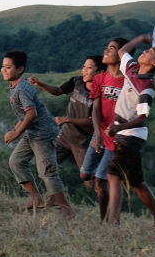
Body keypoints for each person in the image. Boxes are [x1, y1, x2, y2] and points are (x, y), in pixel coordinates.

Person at [104, 33, 155, 228]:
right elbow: (123, 51)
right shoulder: (132, 68)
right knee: (136, 181)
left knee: (113, 175)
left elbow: (142, 117)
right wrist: (141, 38)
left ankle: (113, 221)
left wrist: (119, 127)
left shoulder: (147, 87)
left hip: (130, 136)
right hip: (125, 134)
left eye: (150, 51)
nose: (144, 50)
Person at [0, 51, 75, 220]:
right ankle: (36, 199)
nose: (4, 70)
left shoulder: (22, 88)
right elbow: (27, 112)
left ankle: (67, 210)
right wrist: (18, 126)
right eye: (3, 66)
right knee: (16, 161)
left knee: (47, 172)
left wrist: (17, 133)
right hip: (32, 130)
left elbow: (32, 114)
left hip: (43, 132)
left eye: (8, 67)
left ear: (20, 69)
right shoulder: (15, 85)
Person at [29, 55, 103, 195]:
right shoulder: (77, 81)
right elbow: (58, 91)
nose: (85, 70)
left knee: (89, 180)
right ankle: (53, 197)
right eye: (84, 67)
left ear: (99, 72)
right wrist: (41, 84)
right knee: (47, 165)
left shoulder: (100, 93)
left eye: (89, 68)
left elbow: (93, 120)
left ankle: (104, 206)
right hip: (64, 136)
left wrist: (68, 119)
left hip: (82, 142)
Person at [83, 38, 127, 221]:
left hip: (117, 137)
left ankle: (106, 220)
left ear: (122, 55)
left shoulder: (128, 81)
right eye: (106, 48)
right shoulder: (100, 79)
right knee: (85, 174)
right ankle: (107, 217)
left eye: (111, 49)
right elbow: (95, 109)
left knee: (102, 178)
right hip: (100, 132)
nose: (106, 51)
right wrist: (98, 133)